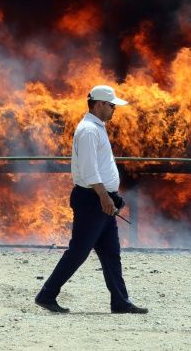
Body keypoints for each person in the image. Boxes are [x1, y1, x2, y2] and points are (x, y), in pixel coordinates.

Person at [35, 85, 148, 314]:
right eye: (111, 105)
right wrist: (105, 197)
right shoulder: (88, 130)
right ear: (99, 104)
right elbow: (89, 171)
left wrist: (110, 196)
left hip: (101, 199)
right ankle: (47, 294)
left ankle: (120, 301)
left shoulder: (97, 128)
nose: (114, 109)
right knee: (78, 251)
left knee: (111, 253)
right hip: (93, 200)